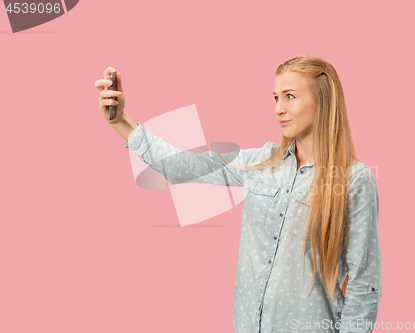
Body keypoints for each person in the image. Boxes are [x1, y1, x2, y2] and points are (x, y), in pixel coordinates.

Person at [94, 55, 381, 333]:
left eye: (290, 96)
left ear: (323, 100)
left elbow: (363, 284)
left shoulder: (354, 180)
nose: (278, 108)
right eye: (275, 97)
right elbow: (183, 167)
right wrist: (121, 122)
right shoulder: (262, 161)